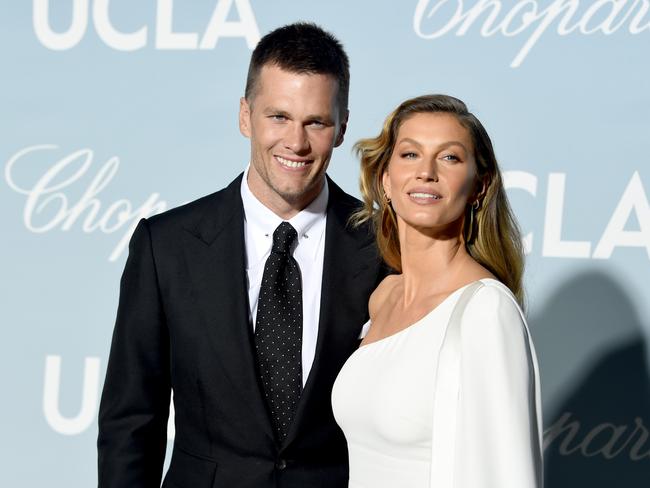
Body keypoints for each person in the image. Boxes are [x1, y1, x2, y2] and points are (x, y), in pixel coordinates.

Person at [97, 23, 385, 488]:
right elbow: (131, 424)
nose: (296, 142)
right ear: (245, 116)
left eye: (316, 122)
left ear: (343, 126)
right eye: (278, 117)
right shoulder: (166, 246)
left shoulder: (384, 246)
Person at [331, 94, 543, 488]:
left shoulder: (485, 311)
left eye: (449, 158)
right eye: (410, 155)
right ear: (385, 180)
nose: (426, 172)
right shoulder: (383, 297)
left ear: (478, 187)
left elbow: (506, 474)